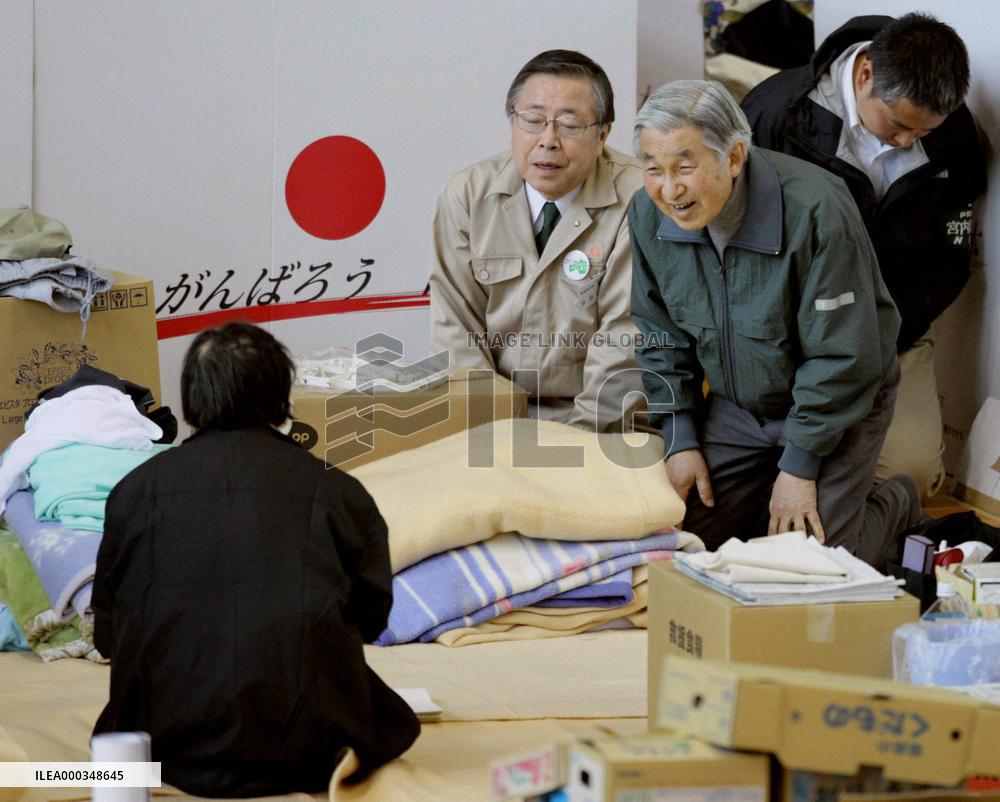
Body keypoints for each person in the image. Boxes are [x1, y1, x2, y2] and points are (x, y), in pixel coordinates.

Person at [91, 322, 418, 798]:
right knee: (381, 711)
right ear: (280, 394)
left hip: (158, 749)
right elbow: (370, 619)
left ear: (190, 398)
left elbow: (108, 636)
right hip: (309, 749)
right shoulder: (337, 491)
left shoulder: (135, 491)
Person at [630, 80, 921, 566]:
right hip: (738, 407)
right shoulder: (648, 214)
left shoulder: (818, 209)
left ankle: (897, 502)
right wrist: (679, 437)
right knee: (682, 542)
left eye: (685, 166)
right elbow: (659, 332)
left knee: (820, 561)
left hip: (838, 402)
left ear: (735, 157)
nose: (669, 188)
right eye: (653, 169)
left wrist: (800, 464)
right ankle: (768, 487)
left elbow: (845, 358)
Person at [742, 13, 987, 498]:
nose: (906, 142)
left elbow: (949, 258)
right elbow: (742, 243)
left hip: (895, 327)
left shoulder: (956, 137)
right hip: (786, 326)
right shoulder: (774, 113)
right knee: (776, 465)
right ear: (865, 73)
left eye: (923, 132)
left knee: (909, 477)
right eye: (898, 125)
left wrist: (886, 328)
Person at [430, 49, 643, 432]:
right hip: (495, 415)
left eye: (569, 125)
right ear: (513, 122)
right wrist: (488, 432)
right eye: (533, 121)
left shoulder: (638, 198)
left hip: (604, 420)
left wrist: (577, 447)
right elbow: (454, 327)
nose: (548, 140)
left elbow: (623, 342)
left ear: (603, 134)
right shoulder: (467, 195)